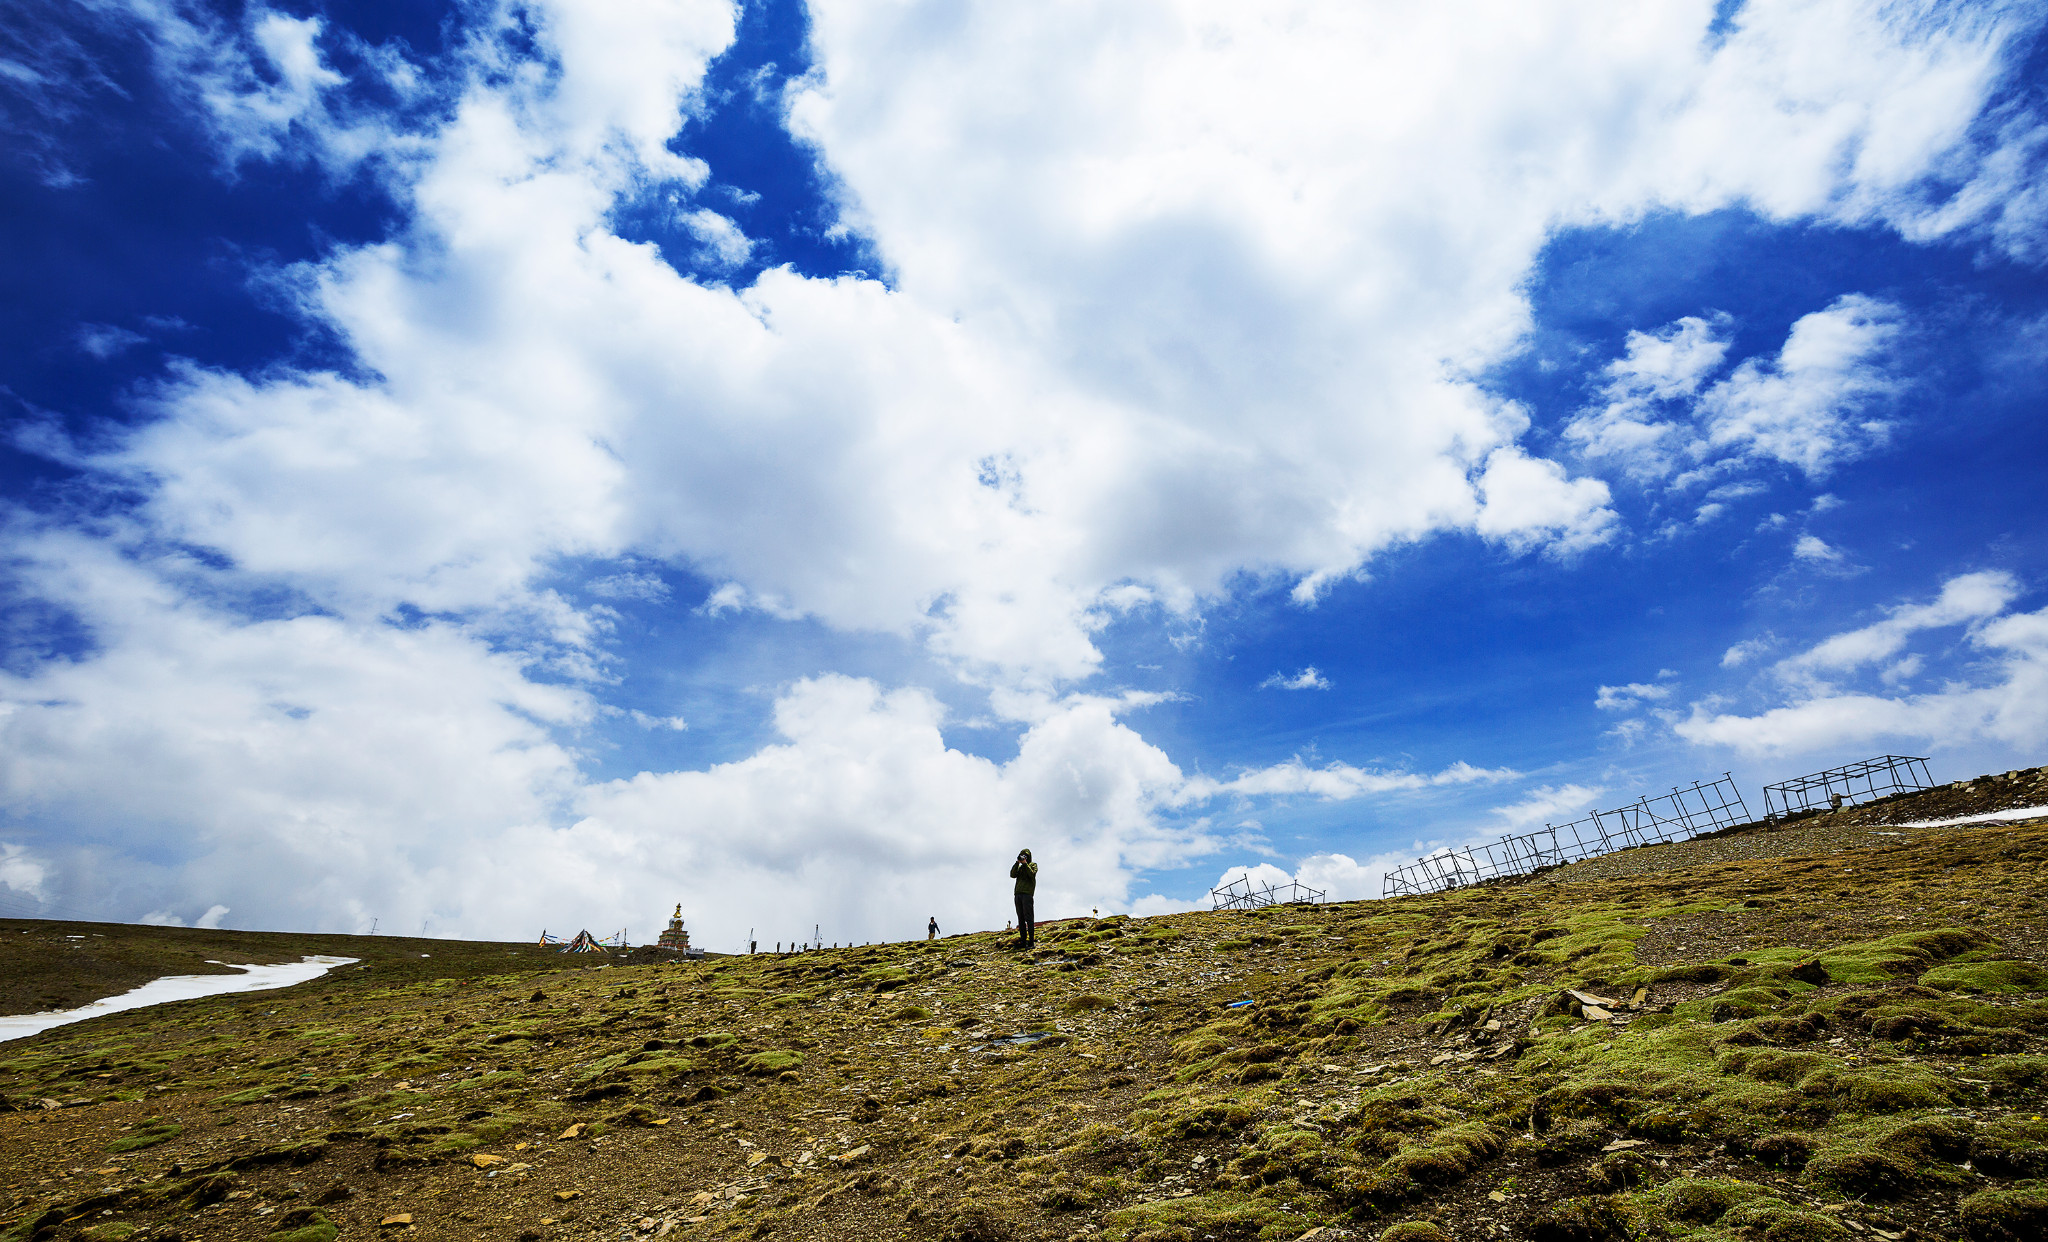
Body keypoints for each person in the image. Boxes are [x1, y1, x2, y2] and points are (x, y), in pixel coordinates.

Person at [1010, 848, 1038, 949]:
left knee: (1029, 918)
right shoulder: (1020, 867)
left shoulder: (1032, 865)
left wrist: (1025, 863)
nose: (1023, 857)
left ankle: (1031, 942)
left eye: (1025, 856)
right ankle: (1023, 941)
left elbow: (1032, 874)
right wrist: (1017, 863)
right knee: (1020, 919)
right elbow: (1012, 875)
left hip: (1027, 895)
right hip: (1018, 895)